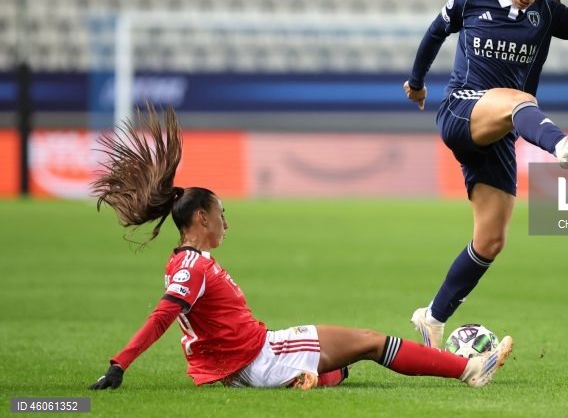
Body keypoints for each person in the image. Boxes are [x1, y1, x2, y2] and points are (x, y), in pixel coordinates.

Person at [88, 106, 513, 391]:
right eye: (220, 213)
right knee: (371, 342)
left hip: (241, 364)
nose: (225, 221)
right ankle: (470, 368)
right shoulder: (192, 266)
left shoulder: (186, 262)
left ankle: (303, 380)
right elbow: (164, 313)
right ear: (200, 218)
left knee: (345, 362)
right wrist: (119, 364)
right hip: (258, 357)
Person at [403, 0, 568, 347]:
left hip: (500, 130)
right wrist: (416, 85)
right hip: (461, 110)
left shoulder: (548, 13)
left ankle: (432, 318)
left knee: (490, 241)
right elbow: (434, 34)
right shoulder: (470, 0)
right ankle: (562, 148)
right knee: (522, 99)